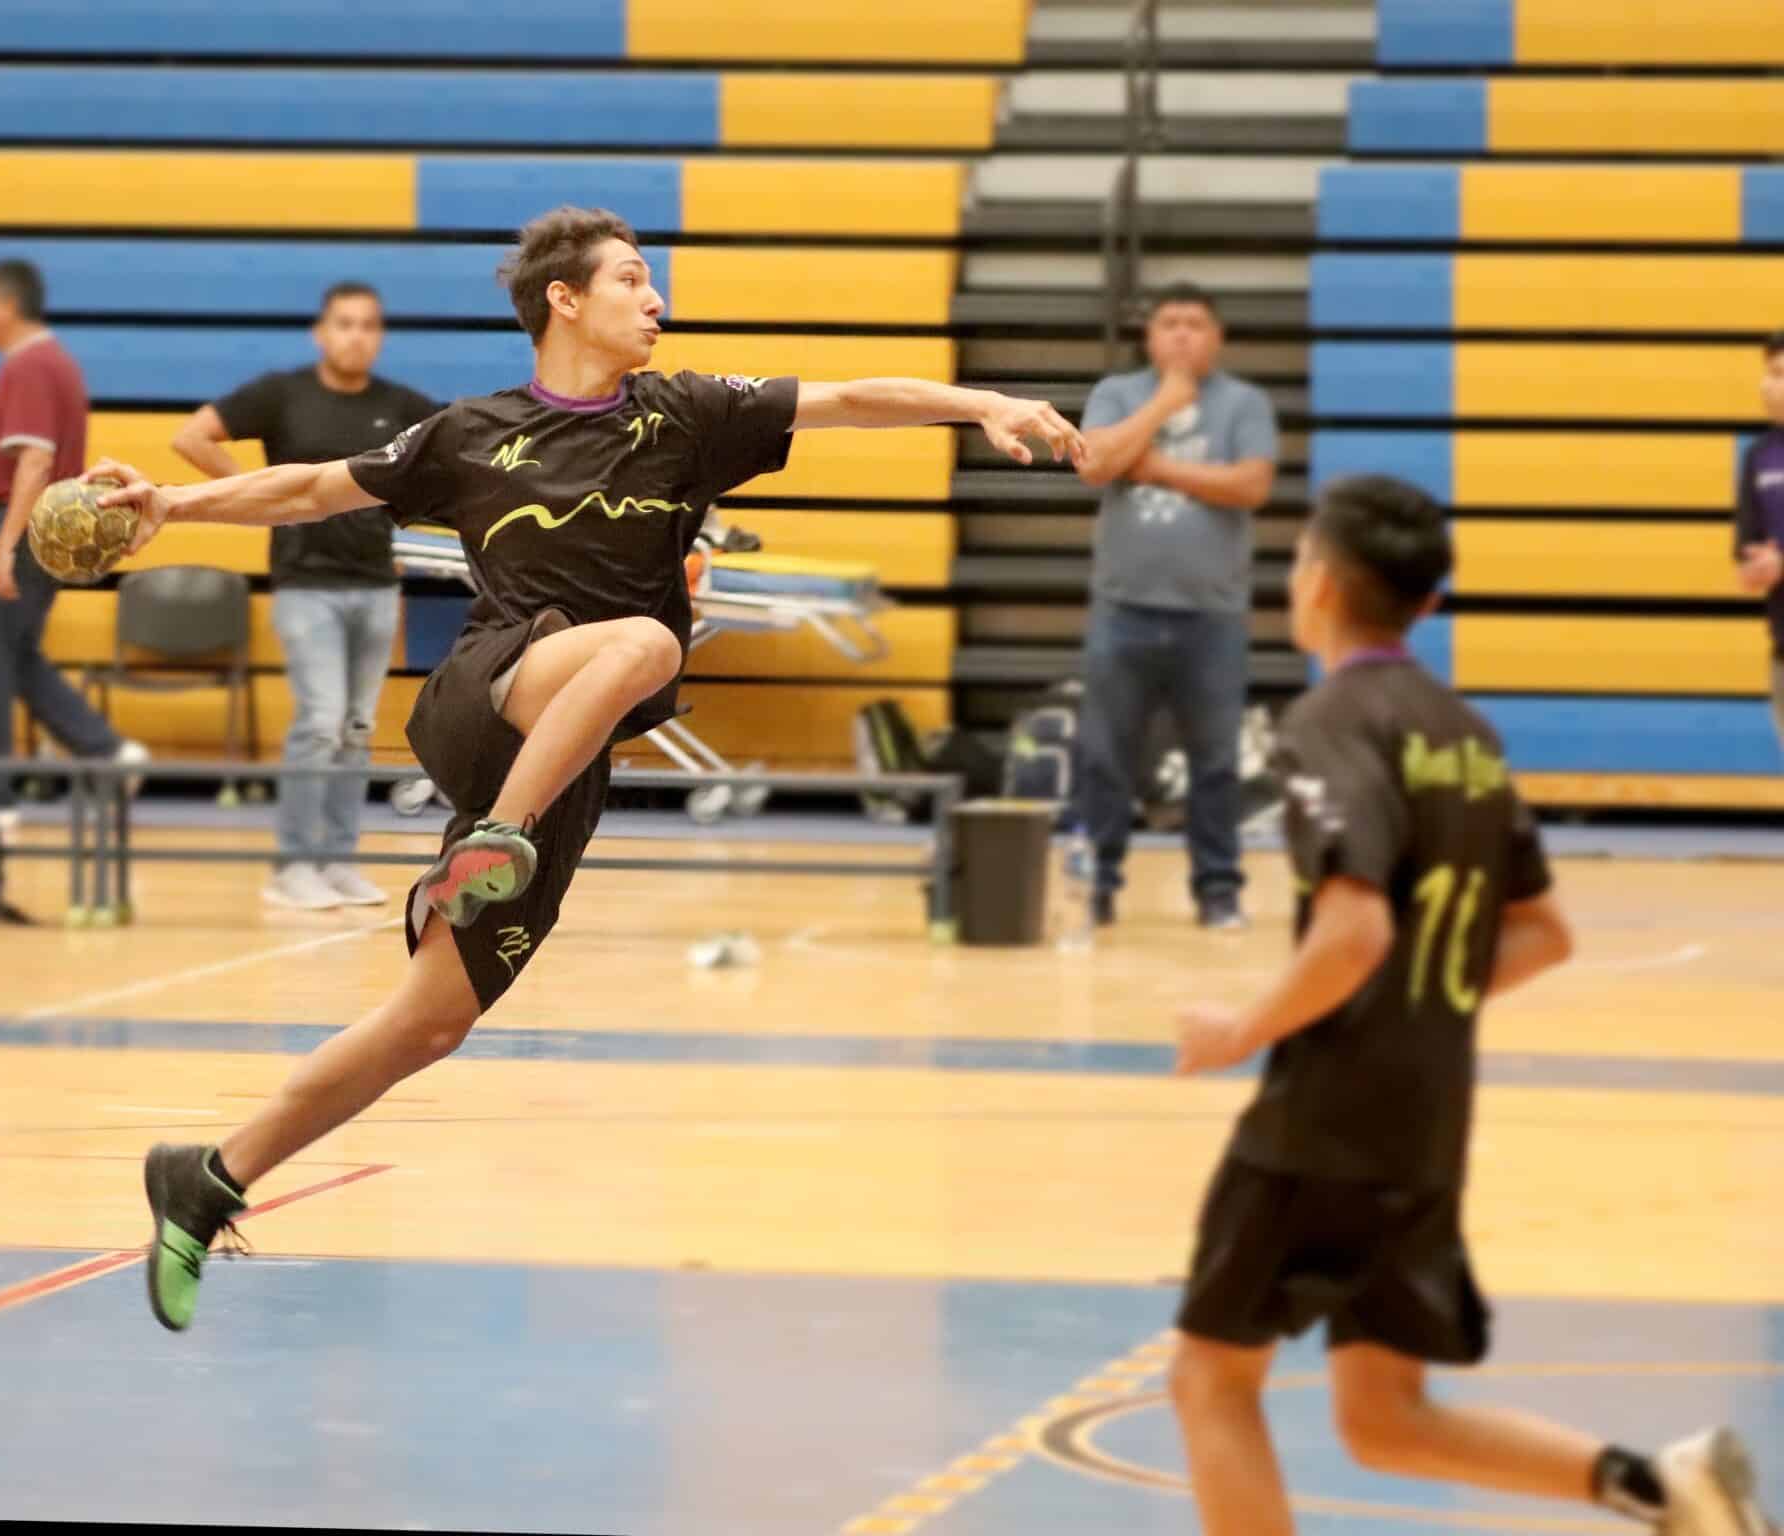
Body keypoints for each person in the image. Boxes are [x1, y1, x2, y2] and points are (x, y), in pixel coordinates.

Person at [88, 206, 1085, 1332]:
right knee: (646, 642)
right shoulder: (472, 433)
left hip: (564, 757)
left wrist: (983, 402)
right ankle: (489, 842)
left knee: (428, 1023)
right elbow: (316, 487)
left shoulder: (687, 414)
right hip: (490, 696)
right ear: (564, 300)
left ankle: (209, 1177)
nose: (653, 299)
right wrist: (172, 502)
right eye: (631, 279)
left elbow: (854, 398)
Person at [1167, 474, 1775, 1536]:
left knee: (1209, 1381)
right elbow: (1542, 933)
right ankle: (1657, 1487)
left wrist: (1241, 1027)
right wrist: (1422, 1006)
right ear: (1427, 606)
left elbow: (1353, 927)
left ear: (1312, 581)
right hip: (1424, 1118)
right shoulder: (1466, 732)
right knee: (1384, 1416)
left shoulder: (1325, 722)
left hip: (1321, 1115)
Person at [172, 282, 441, 910]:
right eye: (344, 323)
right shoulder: (281, 394)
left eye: (369, 325)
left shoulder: (399, 404)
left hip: (374, 585)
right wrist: (257, 492)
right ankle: (292, 867)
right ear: (322, 332)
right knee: (319, 724)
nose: (356, 335)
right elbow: (192, 438)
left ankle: (337, 861)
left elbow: (455, 454)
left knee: (355, 727)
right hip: (304, 586)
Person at [1074, 282, 1278, 930]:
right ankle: (1098, 883)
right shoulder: (1118, 394)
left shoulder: (1245, 403)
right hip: (1122, 608)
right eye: (1170, 323)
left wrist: (1157, 468)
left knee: (1216, 761)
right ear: (1150, 337)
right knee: (1105, 754)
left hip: (1212, 615)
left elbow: (1250, 484)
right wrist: (1163, 403)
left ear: (1217, 337)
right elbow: (1096, 464)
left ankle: (1219, 890)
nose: (1184, 334)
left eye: (1196, 323)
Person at [0, 258, 144, 830]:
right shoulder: (46, 363)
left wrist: (3, 545)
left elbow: (35, 460)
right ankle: (106, 752)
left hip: (16, 523)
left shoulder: (33, 366)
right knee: (13, 655)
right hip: (33, 525)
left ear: (6, 305)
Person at [1734, 330, 1784, 755]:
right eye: (1767, 373)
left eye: (1780, 374)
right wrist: (1755, 569)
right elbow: (1746, 551)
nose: (1768, 386)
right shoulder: (1758, 456)